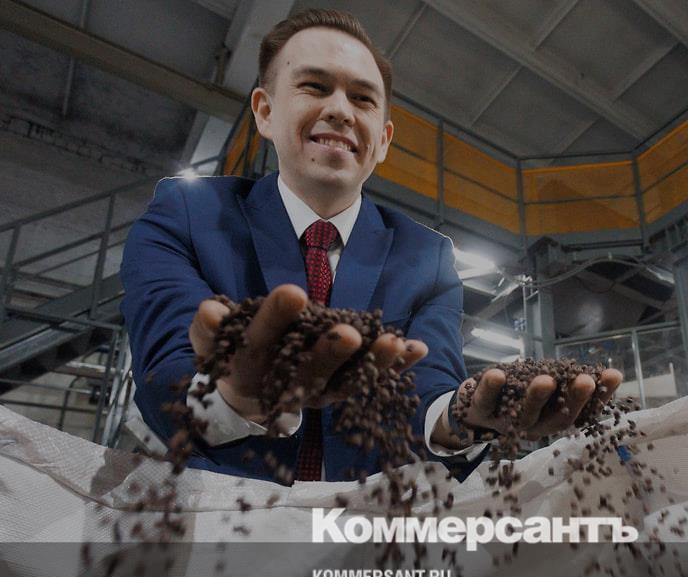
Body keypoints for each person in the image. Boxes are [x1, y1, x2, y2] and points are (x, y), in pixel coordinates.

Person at [120, 8, 622, 484]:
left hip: (364, 525)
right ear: (266, 112)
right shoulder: (187, 214)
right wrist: (234, 394)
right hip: (215, 518)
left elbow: (429, 387)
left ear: (382, 141)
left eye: (362, 99)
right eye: (315, 86)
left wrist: (463, 417)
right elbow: (165, 370)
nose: (340, 110)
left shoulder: (427, 257)